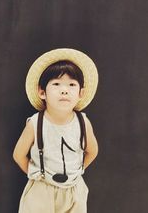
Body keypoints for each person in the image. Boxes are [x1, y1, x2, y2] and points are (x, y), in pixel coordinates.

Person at [13, 48, 99, 213]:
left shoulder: (83, 122)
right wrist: (37, 174)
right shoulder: (36, 123)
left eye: (72, 84)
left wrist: (77, 171)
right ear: (42, 92)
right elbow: (18, 154)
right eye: (56, 84)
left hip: (74, 190)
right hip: (42, 190)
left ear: (81, 93)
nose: (64, 90)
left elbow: (92, 151)